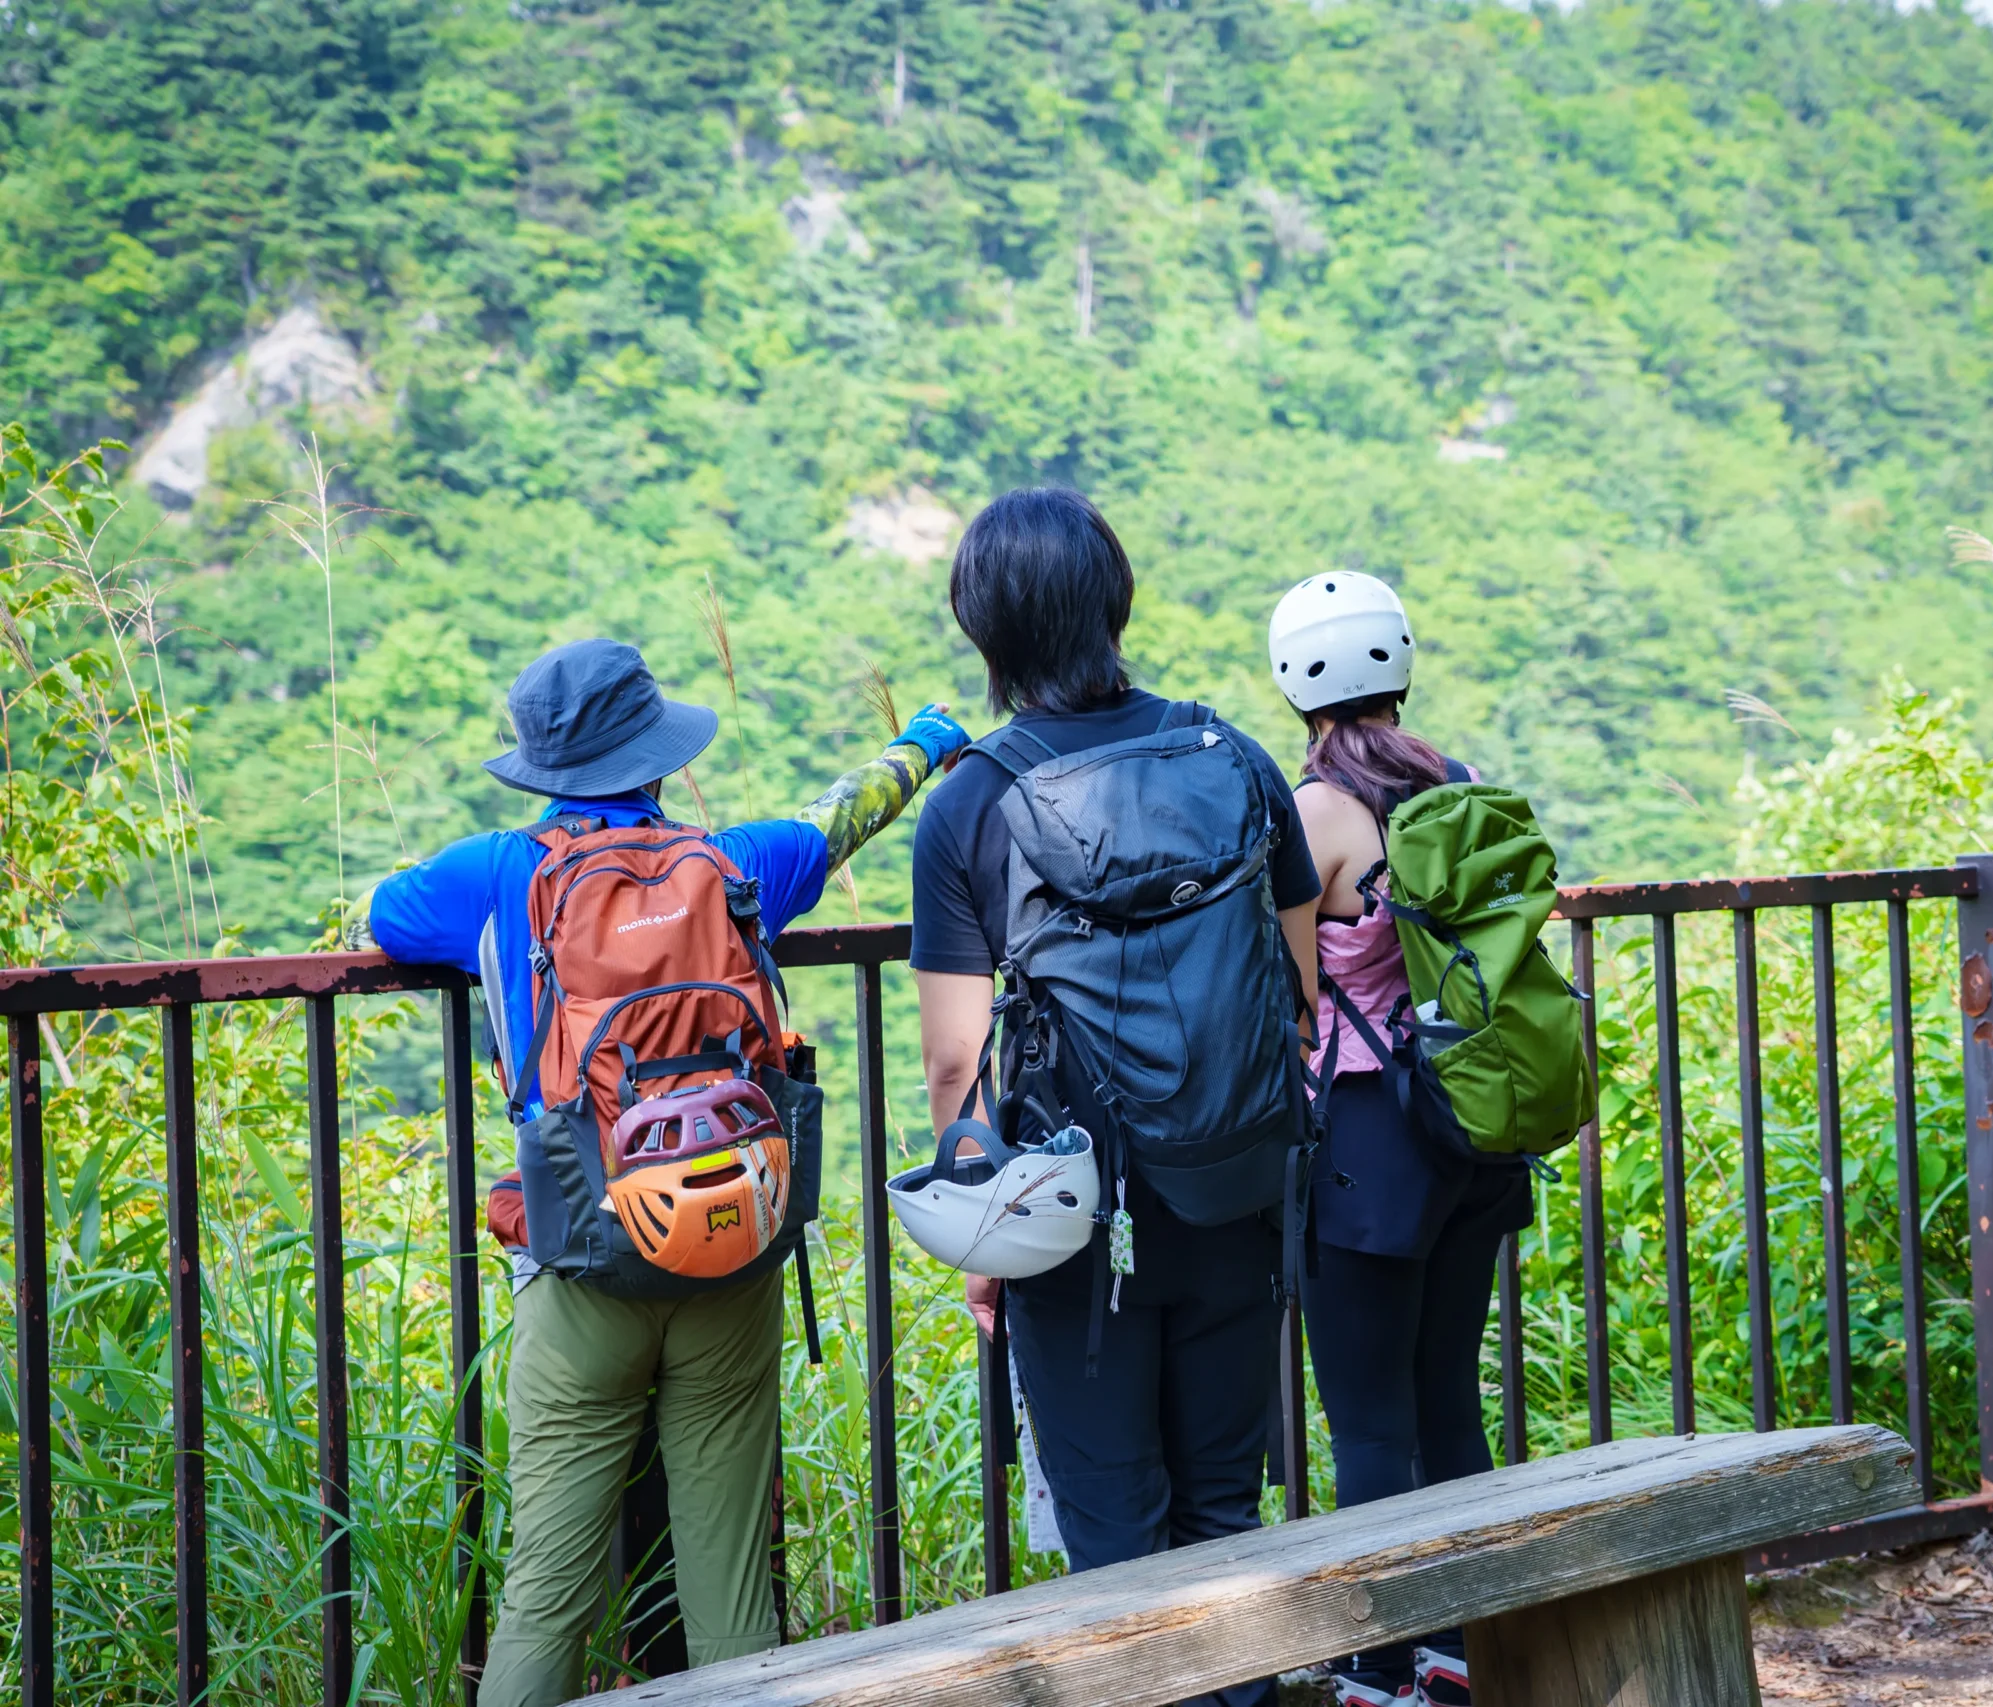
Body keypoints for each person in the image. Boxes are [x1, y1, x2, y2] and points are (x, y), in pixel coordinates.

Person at [358, 637, 969, 1707]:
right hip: (730, 1246)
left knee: (550, 1590)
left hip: (581, 1261)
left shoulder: (497, 875)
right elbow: (846, 813)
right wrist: (924, 740)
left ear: (546, 769)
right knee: (732, 1587)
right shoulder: (740, 866)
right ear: (655, 758)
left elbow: (384, 914)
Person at [910, 488, 1321, 1707]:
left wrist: (981, 1234)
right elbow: (1294, 987)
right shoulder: (1232, 757)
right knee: (1220, 1511)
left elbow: (951, 1061)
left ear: (984, 628)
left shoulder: (972, 804)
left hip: (1068, 1221)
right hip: (1239, 1189)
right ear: (1114, 601)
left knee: (1112, 1534)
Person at [1268, 572, 1531, 1707]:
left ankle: (1380, 1666)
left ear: (1294, 681)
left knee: (1367, 1422)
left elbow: (1285, 992)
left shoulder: (1311, 815)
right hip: (1469, 1125)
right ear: (1402, 663)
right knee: (1447, 1400)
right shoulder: (1464, 786)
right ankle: (1463, 1650)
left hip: (1365, 1139)